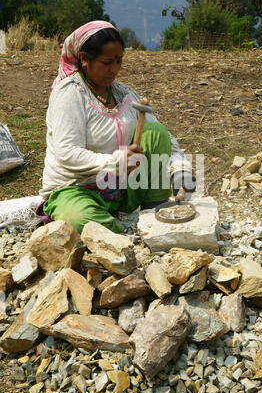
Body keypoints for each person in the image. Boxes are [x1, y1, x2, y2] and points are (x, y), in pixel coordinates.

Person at [39, 20, 195, 234]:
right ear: (84, 59)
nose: (114, 70)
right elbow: (67, 153)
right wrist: (117, 161)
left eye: (119, 61)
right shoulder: (69, 94)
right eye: (106, 62)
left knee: (156, 133)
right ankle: (120, 233)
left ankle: (155, 211)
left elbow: (161, 133)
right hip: (76, 189)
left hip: (122, 188)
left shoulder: (124, 94)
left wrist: (180, 169)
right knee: (84, 221)